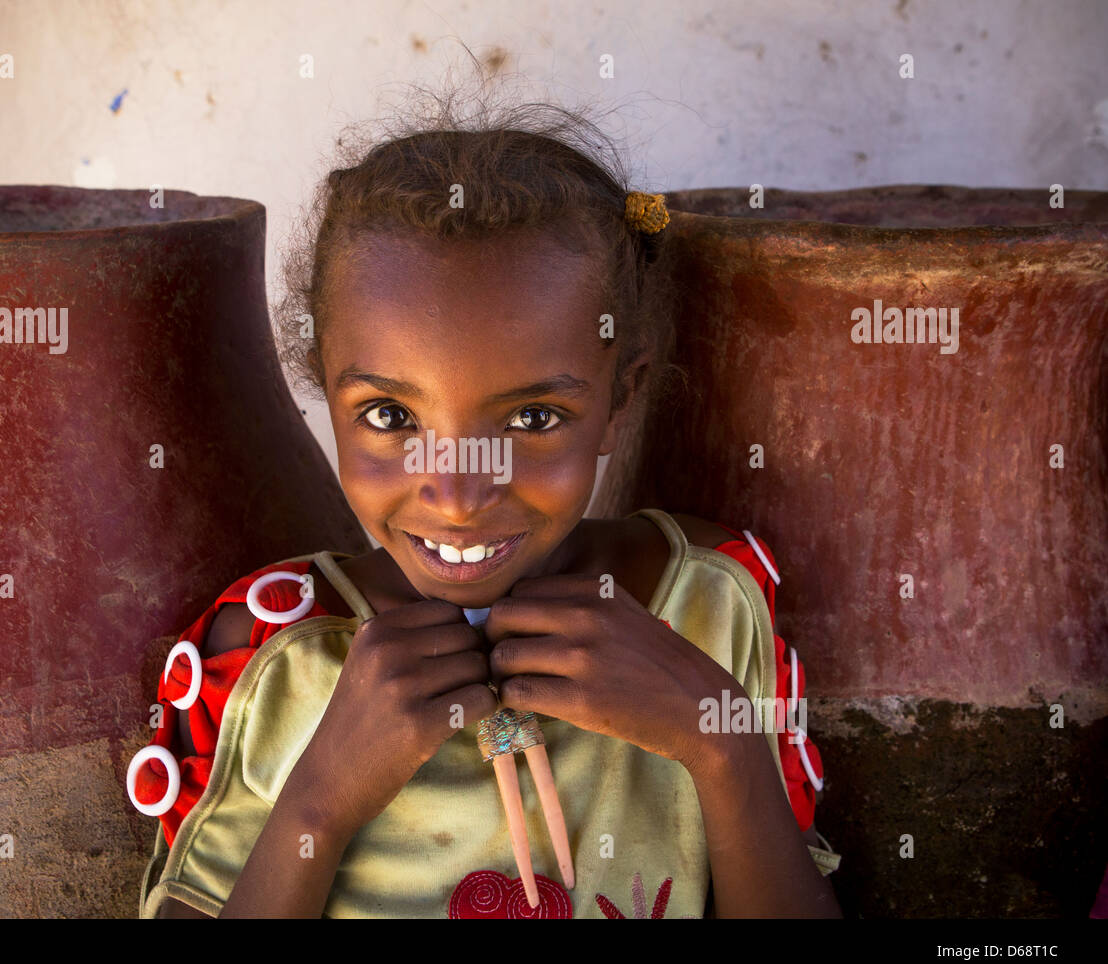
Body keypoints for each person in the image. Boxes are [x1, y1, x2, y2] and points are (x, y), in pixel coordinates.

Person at [130, 89, 841, 919]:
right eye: (391, 417)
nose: (461, 494)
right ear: (324, 388)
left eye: (534, 419)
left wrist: (722, 752)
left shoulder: (708, 611)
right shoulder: (275, 661)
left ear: (620, 401)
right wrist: (317, 803)